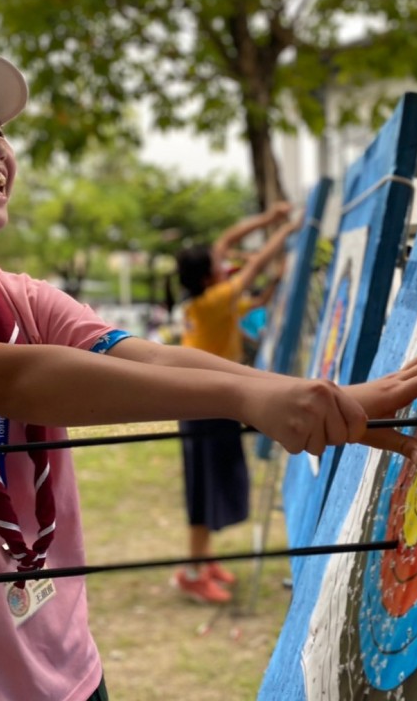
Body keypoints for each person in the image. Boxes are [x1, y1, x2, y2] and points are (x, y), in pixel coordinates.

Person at [0, 55, 417, 701]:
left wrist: (299, 397)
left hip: (67, 666)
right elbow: (13, 381)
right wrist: (251, 396)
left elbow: (149, 357)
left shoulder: (19, 296)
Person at [169, 204, 297, 604]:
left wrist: (267, 220)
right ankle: (191, 572)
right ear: (210, 274)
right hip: (201, 405)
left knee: (209, 485)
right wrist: (288, 229)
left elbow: (231, 254)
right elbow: (252, 263)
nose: (224, 260)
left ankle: (203, 562)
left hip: (205, 402)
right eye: (218, 263)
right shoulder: (211, 302)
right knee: (202, 491)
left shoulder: (206, 301)